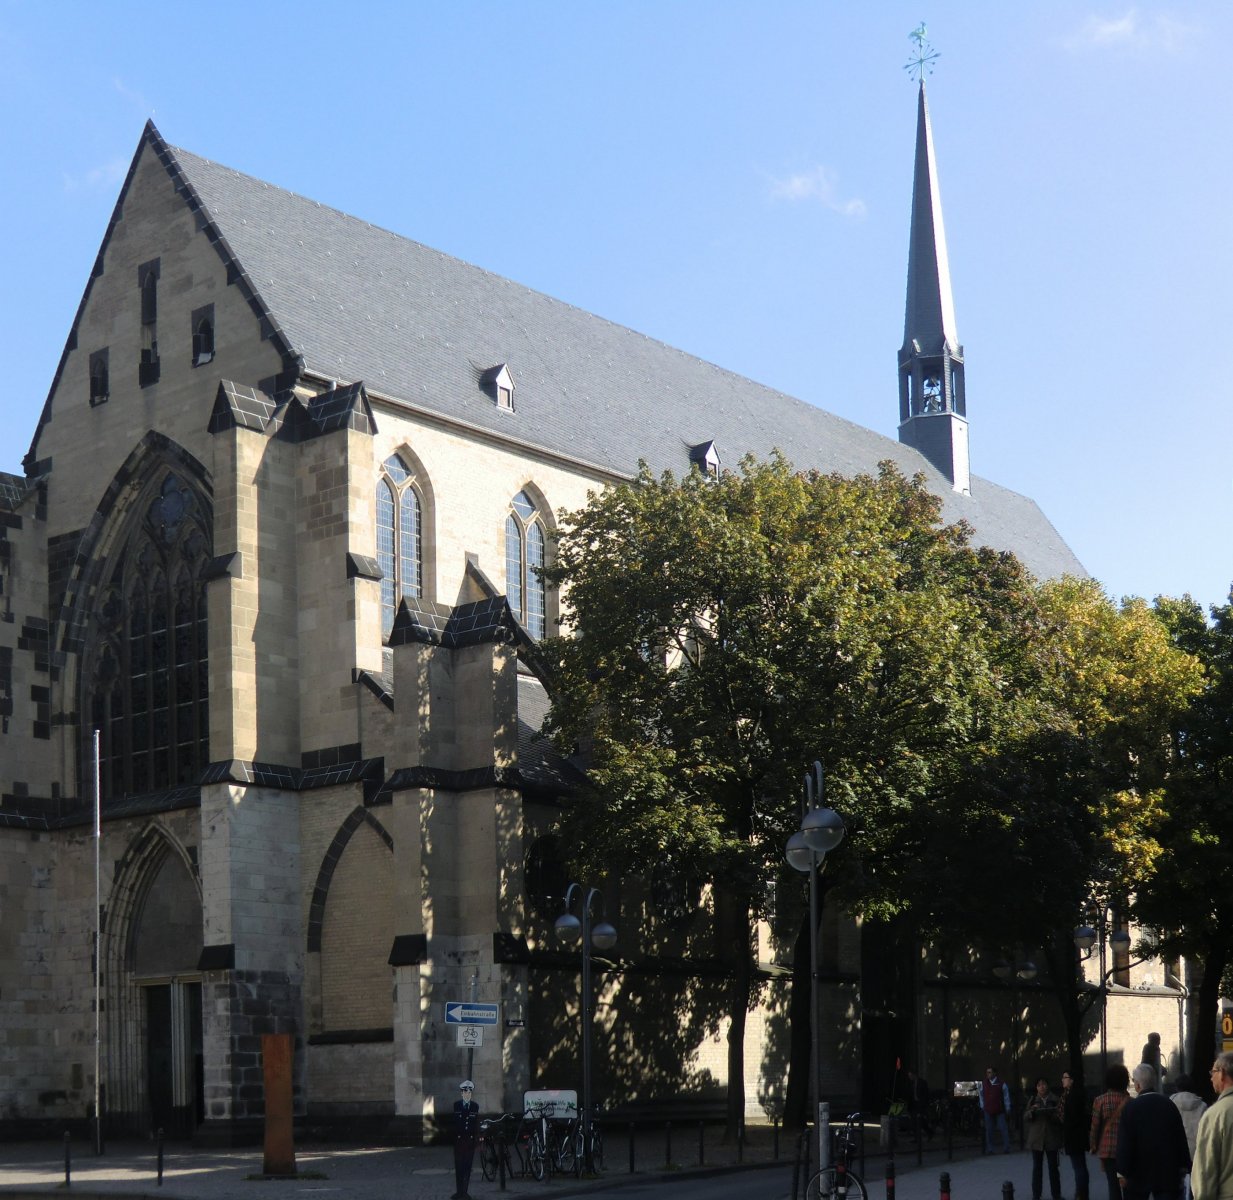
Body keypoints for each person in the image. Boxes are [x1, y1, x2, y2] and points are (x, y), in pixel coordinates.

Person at [1116, 1063, 1190, 1200]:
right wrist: (1184, 1165)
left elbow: (1125, 1142)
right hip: (1167, 1173)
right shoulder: (1168, 1104)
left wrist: (1122, 1171)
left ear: (1137, 1085)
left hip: (1137, 1174)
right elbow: (1179, 1136)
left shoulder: (1131, 1108)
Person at [1191, 1051, 1233, 1200]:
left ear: (1222, 1073)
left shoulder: (1216, 1114)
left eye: (1213, 1071)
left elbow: (1205, 1168)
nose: (1210, 1077)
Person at [1092, 1063, 1132, 1200]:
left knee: (1113, 1185)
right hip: (1127, 1150)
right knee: (1128, 1184)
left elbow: (1095, 1126)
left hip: (1108, 1150)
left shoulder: (1100, 1100)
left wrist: (1093, 1145)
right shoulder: (1130, 1101)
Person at [1026, 1076, 1065, 1200]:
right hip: (1037, 1139)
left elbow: (1061, 1117)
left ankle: (1056, 1195)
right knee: (1037, 1168)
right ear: (1036, 1088)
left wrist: (1052, 1114)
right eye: (1039, 1085)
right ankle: (1036, 1195)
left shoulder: (1055, 1099)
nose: (1041, 1087)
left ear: (1048, 1086)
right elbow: (1025, 1117)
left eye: (1043, 1084)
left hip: (1051, 1138)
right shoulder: (1033, 1100)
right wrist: (1032, 1111)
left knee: (1053, 1168)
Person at [1170, 1074, 1208, 1200]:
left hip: (1176, 1152)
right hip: (1196, 1152)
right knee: (1194, 1186)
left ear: (1177, 1087)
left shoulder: (1170, 1103)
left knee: (1176, 1188)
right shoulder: (1202, 1105)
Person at [1060, 1067, 1092, 1200]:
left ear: (1071, 1080)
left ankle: (1081, 1195)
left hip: (1074, 1137)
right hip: (1078, 1136)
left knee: (1078, 1167)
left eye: (1065, 1078)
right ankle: (1082, 1193)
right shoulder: (1074, 1094)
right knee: (1081, 1166)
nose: (1062, 1080)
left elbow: (1071, 1118)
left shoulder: (1072, 1096)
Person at [452, 1079, 480, 1200]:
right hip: (459, 1141)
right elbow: (454, 1124)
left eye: (469, 1093)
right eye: (465, 1092)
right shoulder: (457, 1105)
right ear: (461, 1093)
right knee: (459, 1167)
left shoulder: (475, 1106)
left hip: (470, 1141)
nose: (467, 1094)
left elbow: (475, 1124)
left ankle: (465, 1191)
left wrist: (477, 1140)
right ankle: (459, 1192)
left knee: (467, 1167)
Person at [981, 1065, 1013, 1154]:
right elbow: (981, 1095)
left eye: (990, 1072)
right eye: (987, 1072)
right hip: (988, 1109)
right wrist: (983, 1106)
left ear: (994, 1073)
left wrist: (1007, 1107)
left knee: (1003, 1129)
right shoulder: (984, 1084)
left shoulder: (1002, 1084)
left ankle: (1007, 1147)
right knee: (989, 1130)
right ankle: (990, 1149)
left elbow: (1006, 1097)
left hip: (999, 1109)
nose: (988, 1074)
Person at [908, 1069, 934, 1138]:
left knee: (920, 1121)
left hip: (921, 1104)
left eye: (910, 1075)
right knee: (914, 1121)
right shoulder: (912, 1083)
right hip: (914, 1104)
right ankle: (917, 1138)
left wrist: (924, 1104)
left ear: (914, 1075)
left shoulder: (922, 1082)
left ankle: (929, 1132)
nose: (909, 1077)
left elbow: (926, 1094)